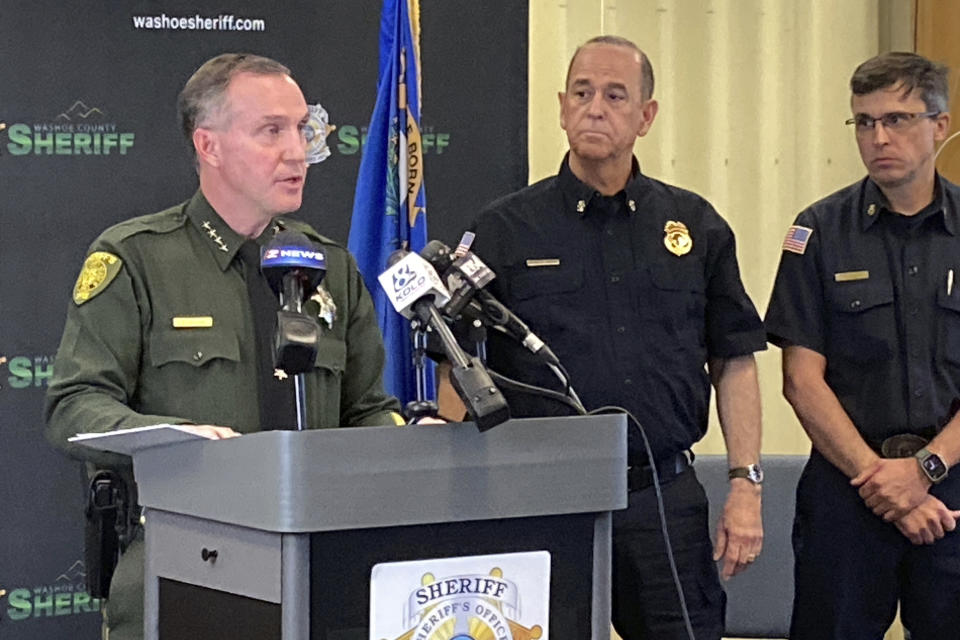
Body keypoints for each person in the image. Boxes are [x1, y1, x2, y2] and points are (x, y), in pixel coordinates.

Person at [44, 53, 403, 640]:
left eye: (303, 128)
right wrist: (181, 441)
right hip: (183, 569)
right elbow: (74, 406)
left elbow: (366, 409)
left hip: (323, 574)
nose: (298, 151)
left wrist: (409, 444)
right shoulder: (137, 257)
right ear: (209, 146)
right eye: (272, 131)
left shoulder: (330, 267)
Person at [452, 35, 766, 639]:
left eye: (615, 95)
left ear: (646, 116)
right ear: (562, 107)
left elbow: (734, 361)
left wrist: (745, 485)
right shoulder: (502, 229)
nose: (595, 107)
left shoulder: (695, 227)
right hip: (543, 500)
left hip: (662, 499)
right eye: (582, 92)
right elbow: (456, 366)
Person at [765, 51, 960, 639]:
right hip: (850, 492)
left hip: (953, 483)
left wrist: (924, 470)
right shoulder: (818, 232)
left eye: (897, 119)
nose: (879, 137)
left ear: (940, 125)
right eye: (864, 122)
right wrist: (886, 483)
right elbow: (801, 380)